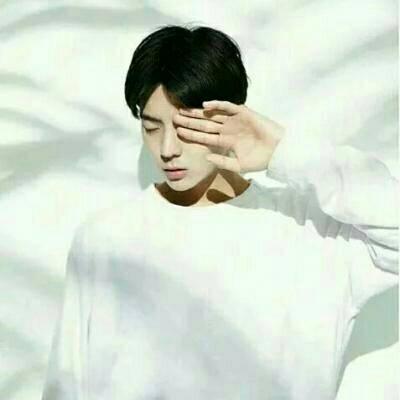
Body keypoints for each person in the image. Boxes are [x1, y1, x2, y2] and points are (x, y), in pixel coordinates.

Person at [42, 24, 398, 400]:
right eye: (151, 127)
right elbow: (67, 384)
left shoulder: (310, 231)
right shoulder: (106, 238)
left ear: (229, 116)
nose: (167, 148)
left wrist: (284, 151)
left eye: (186, 127)